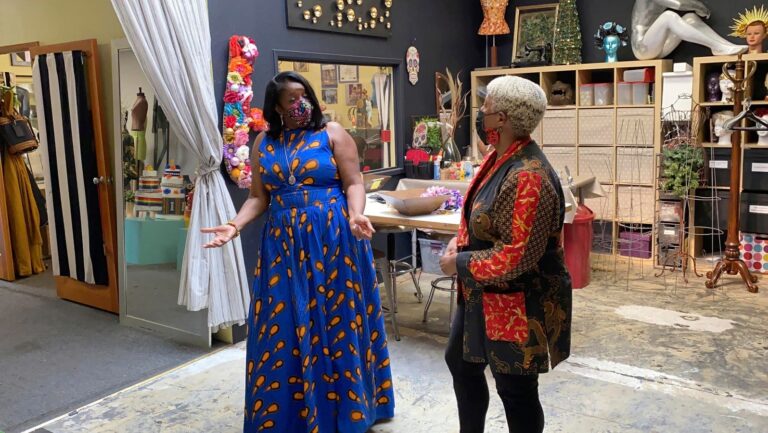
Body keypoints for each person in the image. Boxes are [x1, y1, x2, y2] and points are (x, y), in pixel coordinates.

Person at [202, 71, 395, 433]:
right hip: (283, 246)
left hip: (334, 238)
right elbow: (258, 197)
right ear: (276, 106)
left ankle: (349, 411)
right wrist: (234, 225)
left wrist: (356, 214)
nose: (300, 103)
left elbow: (354, 182)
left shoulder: (331, 133)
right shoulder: (264, 143)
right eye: (291, 99)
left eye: (304, 95)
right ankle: (290, 415)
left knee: (339, 320)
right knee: (283, 324)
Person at [439, 76, 572, 433]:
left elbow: (517, 256)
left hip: (517, 303)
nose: (480, 113)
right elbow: (480, 216)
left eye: (485, 107)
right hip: (482, 295)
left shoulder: (528, 176)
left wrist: (458, 263)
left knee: (515, 390)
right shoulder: (500, 158)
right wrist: (459, 241)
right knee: (461, 364)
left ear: (502, 118)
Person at [631, 0, 746, 60]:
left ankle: (722, 45)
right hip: (642, 48)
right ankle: (716, 46)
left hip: (658, 47)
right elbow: (677, 4)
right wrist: (699, 7)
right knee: (668, 16)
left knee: (690, 18)